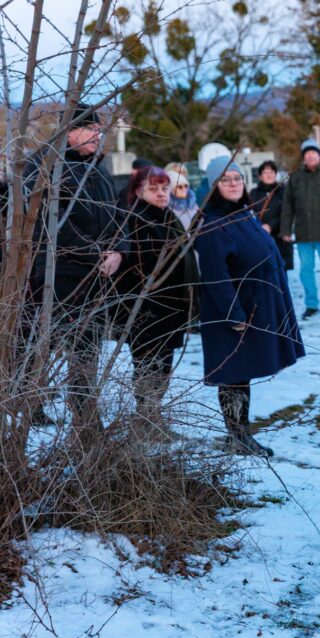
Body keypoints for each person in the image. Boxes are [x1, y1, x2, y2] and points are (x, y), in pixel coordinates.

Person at [194, 156, 305, 456]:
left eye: (237, 178)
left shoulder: (243, 214)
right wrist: (234, 315)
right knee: (233, 375)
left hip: (253, 307)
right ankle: (237, 437)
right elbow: (216, 276)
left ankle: (240, 434)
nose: (233, 184)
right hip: (233, 313)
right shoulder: (213, 224)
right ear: (213, 186)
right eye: (225, 180)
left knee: (242, 375)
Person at [26, 104, 128, 432]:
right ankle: (28, 408)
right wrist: (96, 253)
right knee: (43, 345)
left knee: (88, 349)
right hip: (58, 275)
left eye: (100, 131)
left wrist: (119, 250)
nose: (99, 136)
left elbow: (119, 215)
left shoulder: (97, 169)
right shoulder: (47, 166)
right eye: (92, 130)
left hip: (96, 275)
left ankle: (84, 415)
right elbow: (51, 226)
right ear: (70, 132)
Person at [116, 166, 196, 436]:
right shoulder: (134, 220)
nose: (162, 193)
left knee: (164, 366)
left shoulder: (168, 217)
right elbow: (133, 268)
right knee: (147, 366)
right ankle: (145, 419)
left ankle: (153, 418)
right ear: (139, 191)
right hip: (146, 311)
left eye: (164, 188)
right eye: (154, 188)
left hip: (172, 307)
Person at [280, 139, 320, 321]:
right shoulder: (295, 178)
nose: (310, 156)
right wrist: (286, 229)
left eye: (313, 153)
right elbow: (288, 206)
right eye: (307, 154)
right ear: (303, 157)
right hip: (304, 233)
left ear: (318, 155)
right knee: (306, 271)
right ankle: (311, 305)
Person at [250, 160, 292, 270]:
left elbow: (287, 212)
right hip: (260, 236)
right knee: (262, 268)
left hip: (280, 237)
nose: (269, 175)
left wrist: (270, 225)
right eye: (265, 172)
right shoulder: (254, 193)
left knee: (281, 269)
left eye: (272, 172)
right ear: (260, 176)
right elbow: (250, 213)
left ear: (276, 174)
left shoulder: (284, 191)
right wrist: (260, 226)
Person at [164, 166, 198, 230]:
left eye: (186, 186)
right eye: (180, 187)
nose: (184, 189)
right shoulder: (167, 209)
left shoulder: (193, 204)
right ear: (170, 189)